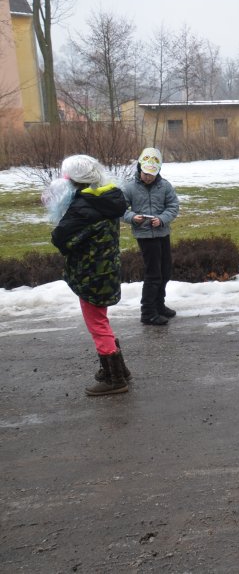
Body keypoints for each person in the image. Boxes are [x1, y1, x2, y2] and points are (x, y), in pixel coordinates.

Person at [44, 155, 131, 396]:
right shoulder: (106, 199)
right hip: (106, 270)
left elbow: (60, 238)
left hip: (90, 274)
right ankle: (119, 369)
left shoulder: (82, 208)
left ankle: (115, 380)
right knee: (101, 320)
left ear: (72, 181)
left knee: (97, 324)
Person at [121, 147, 180, 326]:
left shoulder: (165, 186)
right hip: (145, 236)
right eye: (145, 173)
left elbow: (173, 206)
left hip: (162, 233)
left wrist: (162, 219)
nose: (148, 177)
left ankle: (159, 305)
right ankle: (147, 312)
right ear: (140, 169)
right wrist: (133, 218)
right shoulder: (129, 188)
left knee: (165, 271)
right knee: (153, 274)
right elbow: (119, 209)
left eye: (152, 174)